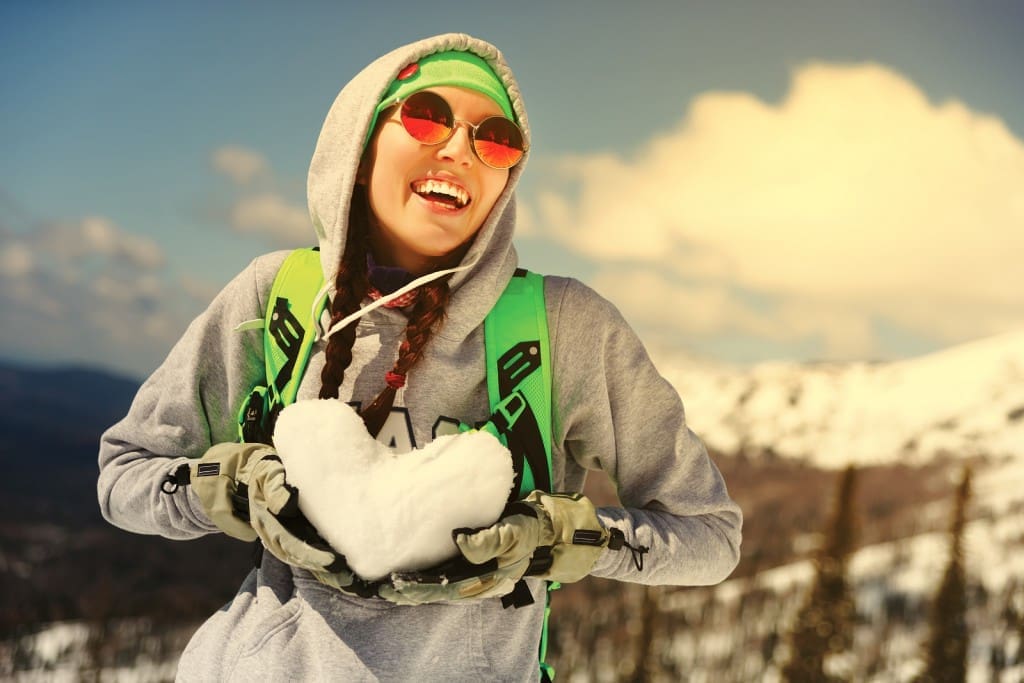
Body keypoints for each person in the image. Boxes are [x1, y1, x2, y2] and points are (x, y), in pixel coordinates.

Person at [97, 33, 742, 681]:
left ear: (506, 181)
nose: (461, 148)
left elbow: (709, 537)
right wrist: (232, 489)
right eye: (427, 115)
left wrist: (557, 537)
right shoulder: (277, 298)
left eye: (496, 139)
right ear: (361, 141)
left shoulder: (565, 327)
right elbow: (124, 474)